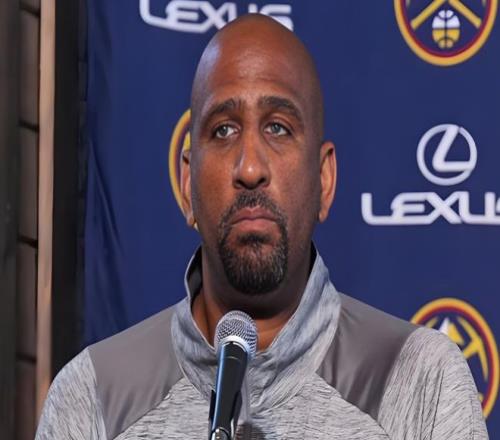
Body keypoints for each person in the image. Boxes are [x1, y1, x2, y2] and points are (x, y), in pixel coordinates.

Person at [36, 14, 487, 440]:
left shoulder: (420, 380)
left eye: (278, 128)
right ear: (186, 183)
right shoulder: (93, 395)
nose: (250, 168)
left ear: (324, 180)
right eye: (223, 131)